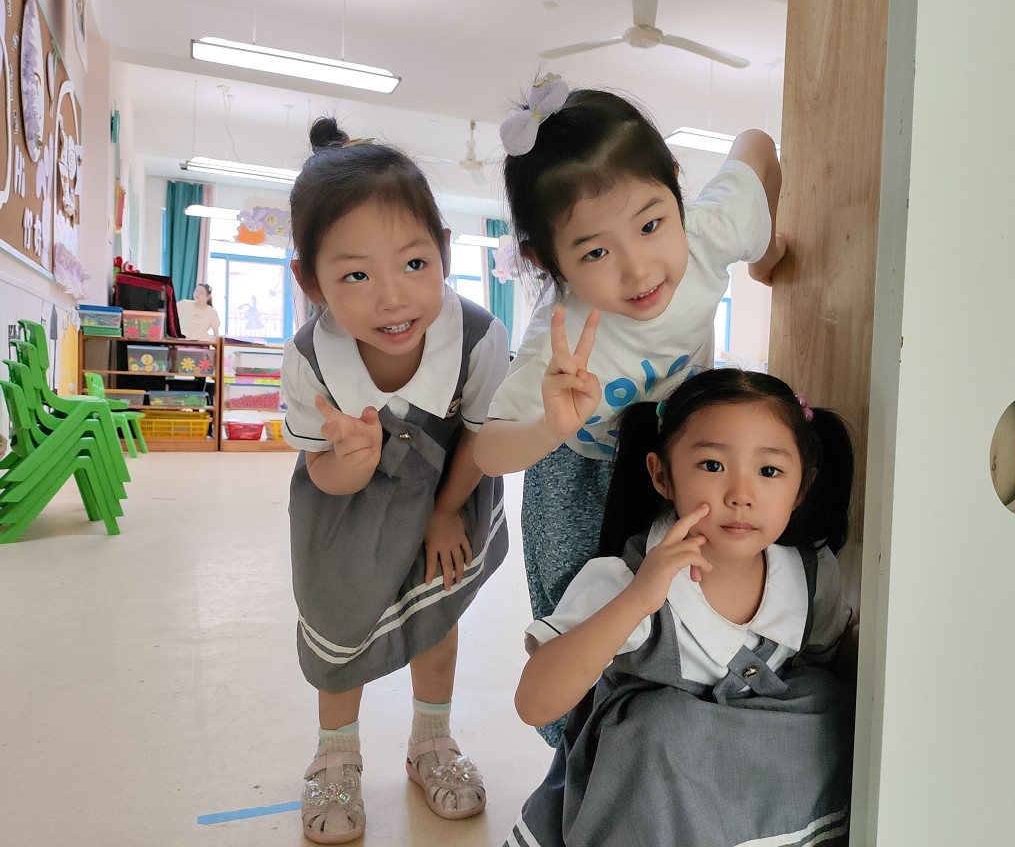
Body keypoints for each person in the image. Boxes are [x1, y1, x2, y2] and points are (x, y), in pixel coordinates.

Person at [473, 73, 787, 744]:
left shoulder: (708, 233)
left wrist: (769, 252)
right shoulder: (559, 339)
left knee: (689, 591)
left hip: (679, 454)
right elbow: (488, 451)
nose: (639, 270)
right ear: (547, 262)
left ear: (676, 190)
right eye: (595, 252)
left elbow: (757, 148)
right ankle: (582, 751)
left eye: (650, 224)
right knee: (581, 628)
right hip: (580, 469)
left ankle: (669, 733)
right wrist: (549, 426)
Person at [505, 368, 858, 847]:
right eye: (712, 465)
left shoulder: (812, 574)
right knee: (663, 724)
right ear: (662, 475)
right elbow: (533, 704)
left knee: (826, 696)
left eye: (769, 471)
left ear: (802, 487)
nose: (741, 495)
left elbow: (833, 664)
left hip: (754, 785)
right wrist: (637, 600)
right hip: (653, 801)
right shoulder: (624, 577)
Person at [281, 117, 510, 843]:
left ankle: (430, 742)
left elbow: (481, 435)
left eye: (414, 263)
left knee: (436, 618)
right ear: (310, 281)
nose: (392, 298)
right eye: (355, 275)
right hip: (345, 512)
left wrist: (446, 513)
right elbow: (321, 472)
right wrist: (348, 464)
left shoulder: (477, 335)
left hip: (448, 487)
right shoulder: (310, 360)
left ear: (444, 250)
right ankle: (336, 754)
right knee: (341, 626)